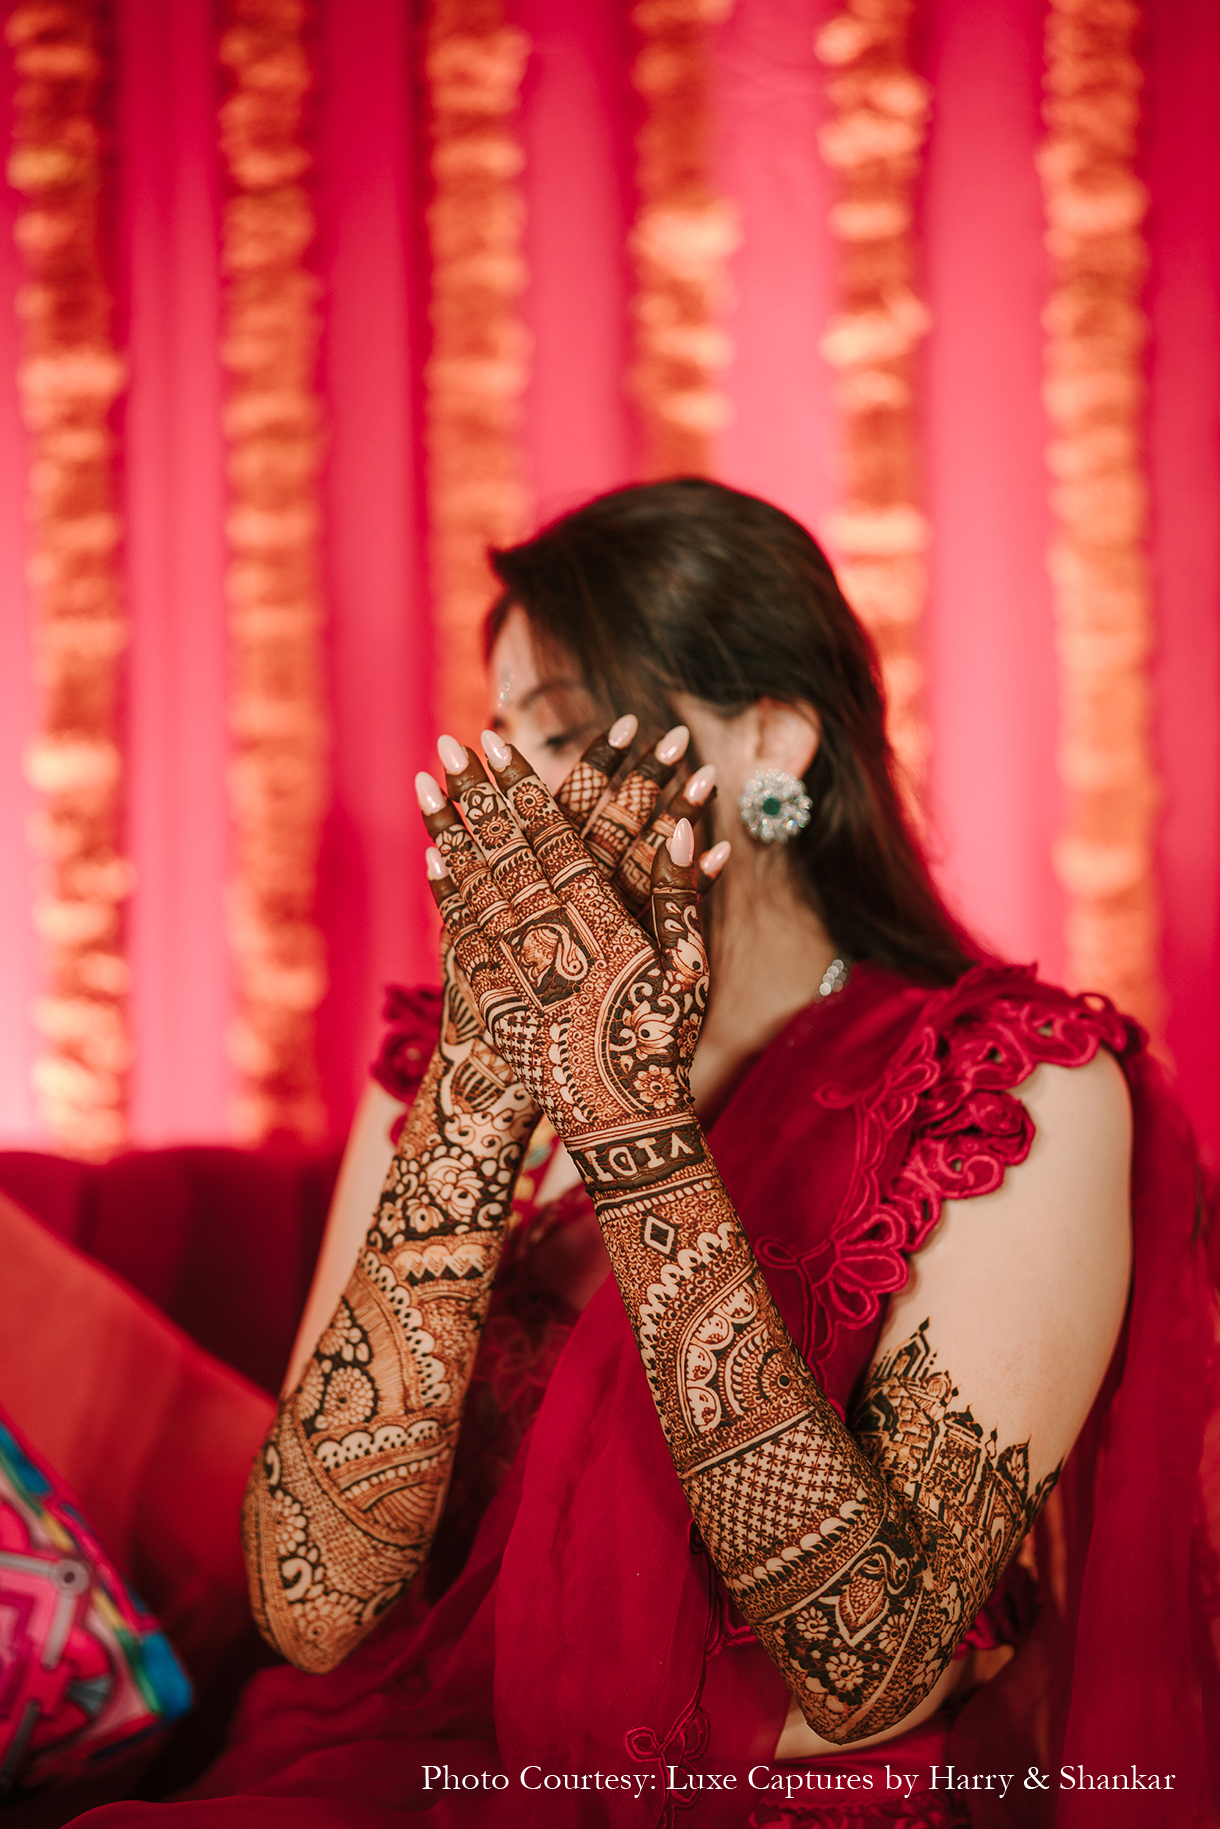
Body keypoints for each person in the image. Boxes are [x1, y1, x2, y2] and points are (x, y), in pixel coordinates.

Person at [78, 479, 1218, 1827]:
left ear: (772, 748)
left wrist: (626, 1117)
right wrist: (489, 1089)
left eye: (559, 736)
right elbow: (312, 1607)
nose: (510, 803)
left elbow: (868, 1666)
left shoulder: (1006, 1091)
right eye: (498, 744)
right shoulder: (452, 1061)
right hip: (397, 1764)